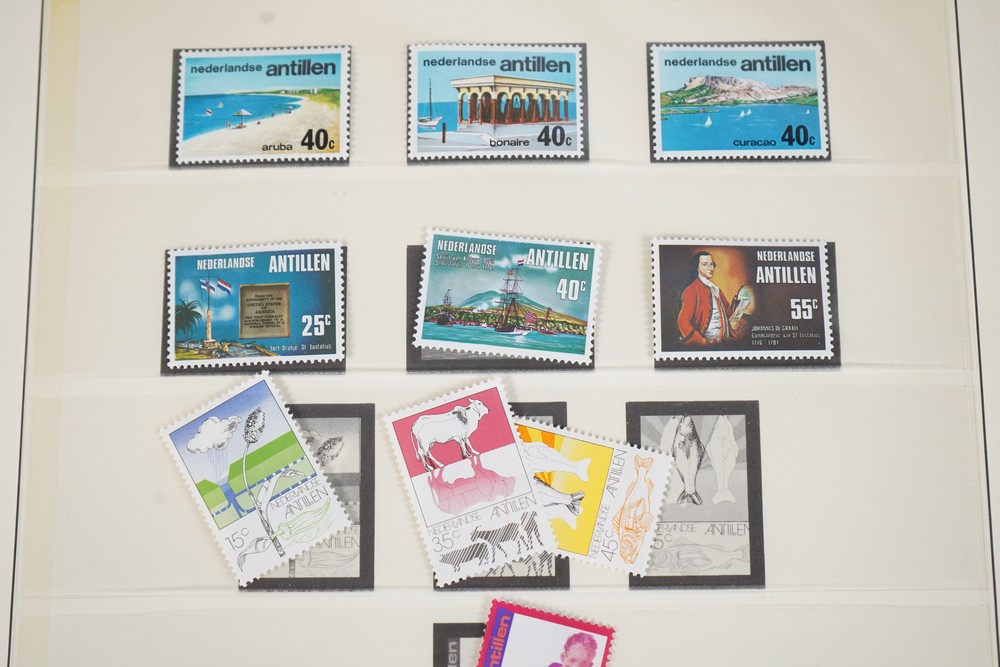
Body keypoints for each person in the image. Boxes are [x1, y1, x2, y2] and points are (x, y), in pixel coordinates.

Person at [676, 251, 747, 345]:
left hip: (722, 344)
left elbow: (730, 315)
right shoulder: (691, 290)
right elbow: (682, 321)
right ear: (697, 267)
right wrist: (701, 341)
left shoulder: (717, 290)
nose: (710, 268)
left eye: (712, 264)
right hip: (705, 347)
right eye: (705, 264)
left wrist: (735, 325)